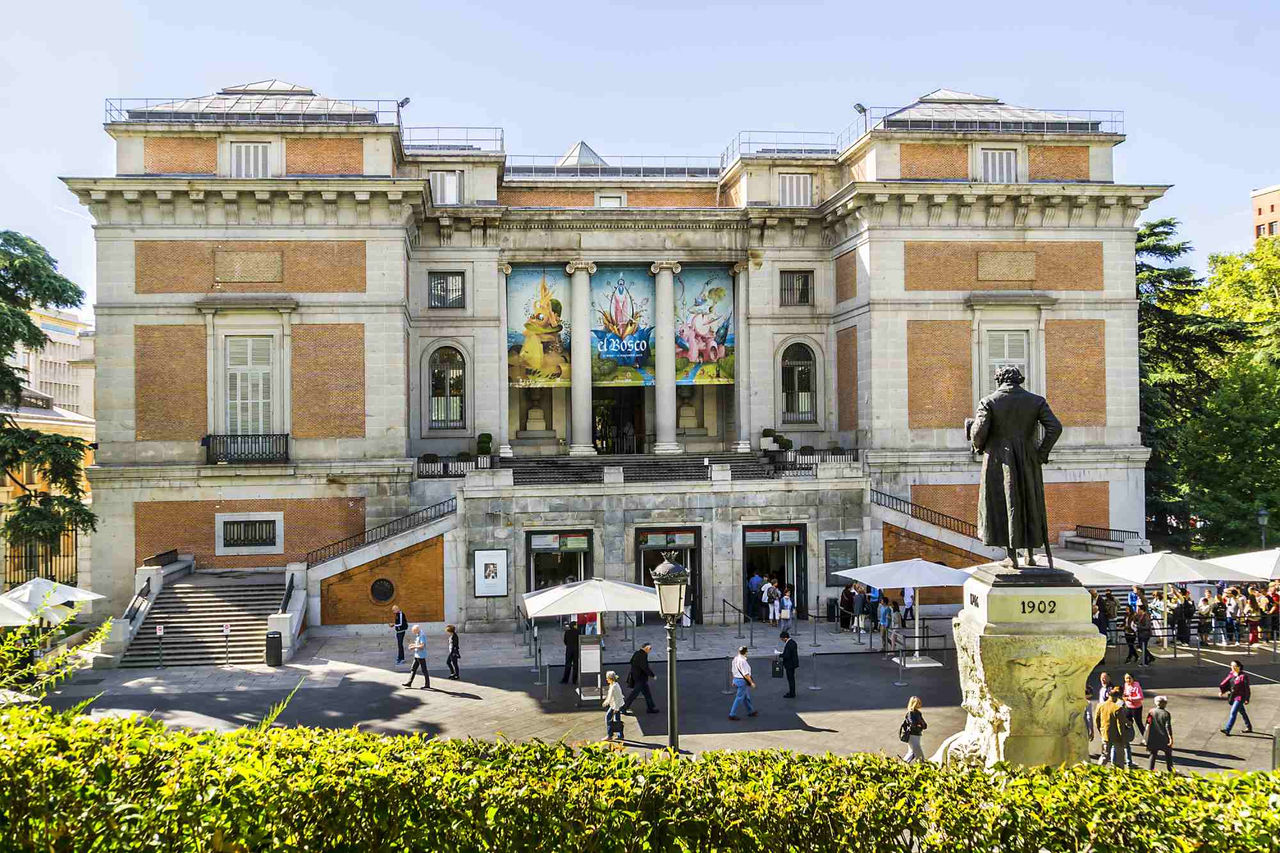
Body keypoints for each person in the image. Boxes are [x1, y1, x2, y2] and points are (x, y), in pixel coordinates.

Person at [621, 642, 659, 715]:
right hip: (640, 678)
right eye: (650, 649)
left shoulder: (637, 653)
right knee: (634, 694)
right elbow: (645, 667)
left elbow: (631, 661)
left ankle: (650, 708)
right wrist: (652, 675)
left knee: (647, 693)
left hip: (637, 677)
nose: (650, 650)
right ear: (646, 648)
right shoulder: (643, 655)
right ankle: (624, 708)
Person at [1093, 687, 1126, 767]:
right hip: (1117, 736)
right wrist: (1122, 737)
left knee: (1104, 755)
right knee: (1120, 757)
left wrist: (1101, 731)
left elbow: (1096, 721)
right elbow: (1120, 724)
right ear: (1116, 697)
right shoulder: (1117, 708)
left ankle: (1098, 770)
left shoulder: (1100, 706)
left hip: (1105, 734)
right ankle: (1119, 772)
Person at [1219, 659, 1253, 735]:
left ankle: (1227, 729)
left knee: (1233, 712)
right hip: (1233, 696)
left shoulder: (1243, 676)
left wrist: (1247, 698)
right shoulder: (1231, 674)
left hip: (1240, 697)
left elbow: (1247, 688)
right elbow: (1228, 684)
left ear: (1239, 667)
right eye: (1231, 666)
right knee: (1242, 712)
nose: (1233, 667)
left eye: (1235, 666)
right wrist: (1222, 691)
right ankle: (1249, 727)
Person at [1145, 695, 1174, 772]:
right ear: (1164, 704)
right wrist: (1170, 737)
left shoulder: (1151, 711)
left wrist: (1145, 736)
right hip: (1163, 737)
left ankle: (1150, 769)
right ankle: (1170, 769)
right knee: (1168, 753)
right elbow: (1168, 726)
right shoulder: (1166, 713)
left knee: (1153, 754)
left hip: (1153, 736)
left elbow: (1147, 723)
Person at [728, 646, 757, 720]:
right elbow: (745, 674)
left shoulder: (735, 659)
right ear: (746, 652)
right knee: (739, 698)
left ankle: (751, 711)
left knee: (745, 697)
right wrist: (752, 682)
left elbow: (733, 671)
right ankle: (732, 714)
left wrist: (733, 680)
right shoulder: (743, 661)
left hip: (737, 680)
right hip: (742, 681)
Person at [402, 625, 430, 689]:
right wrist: (413, 644)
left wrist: (414, 647)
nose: (413, 632)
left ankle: (427, 684)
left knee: (424, 670)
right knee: (413, 668)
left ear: (416, 630)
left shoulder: (421, 635)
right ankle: (409, 682)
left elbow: (422, 646)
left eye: (414, 631)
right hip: (417, 655)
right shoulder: (418, 634)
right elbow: (418, 644)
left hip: (421, 655)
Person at [901, 696, 927, 763]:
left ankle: (901, 765)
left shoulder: (918, 713)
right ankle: (922, 765)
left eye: (919, 702)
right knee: (919, 754)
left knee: (912, 753)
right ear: (914, 703)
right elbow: (913, 724)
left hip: (917, 735)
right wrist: (920, 725)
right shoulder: (911, 713)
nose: (920, 704)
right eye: (918, 703)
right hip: (912, 735)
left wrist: (921, 725)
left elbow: (924, 725)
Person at [602, 670, 625, 741]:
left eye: (607, 678)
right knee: (617, 720)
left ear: (610, 679)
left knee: (608, 718)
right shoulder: (614, 684)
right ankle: (620, 735)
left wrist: (606, 703)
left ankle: (610, 735)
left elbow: (615, 698)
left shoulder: (613, 686)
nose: (606, 679)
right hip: (617, 705)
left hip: (615, 705)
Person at [1122, 672, 1145, 739]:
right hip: (1128, 707)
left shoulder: (1137, 686)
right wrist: (1124, 696)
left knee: (1139, 723)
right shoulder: (1126, 684)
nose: (1128, 680)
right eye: (1126, 678)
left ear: (1133, 679)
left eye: (1129, 678)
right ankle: (1126, 736)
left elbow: (1141, 697)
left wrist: (1130, 699)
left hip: (1136, 708)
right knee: (1126, 721)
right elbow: (1125, 693)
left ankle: (1147, 739)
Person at [777, 630, 799, 698]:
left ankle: (792, 693)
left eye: (782, 639)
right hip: (793, 663)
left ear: (785, 638)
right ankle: (792, 692)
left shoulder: (789, 644)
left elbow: (787, 655)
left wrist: (780, 654)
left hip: (790, 664)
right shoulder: (793, 642)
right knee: (791, 678)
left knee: (790, 679)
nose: (782, 640)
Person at [560, 620, 580, 684]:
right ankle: (574, 680)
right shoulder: (578, 632)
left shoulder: (567, 632)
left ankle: (565, 679)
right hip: (576, 649)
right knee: (575, 665)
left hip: (569, 649)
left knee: (567, 664)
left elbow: (565, 641)